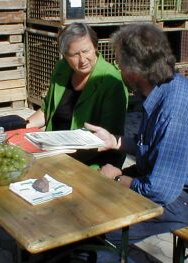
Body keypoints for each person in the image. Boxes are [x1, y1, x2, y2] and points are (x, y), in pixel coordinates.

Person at [85, 23, 188, 241]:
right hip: (159, 180)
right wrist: (114, 141)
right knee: (91, 188)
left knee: (103, 225)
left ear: (134, 70)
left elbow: (161, 191)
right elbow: (149, 145)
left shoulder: (174, 109)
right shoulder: (160, 89)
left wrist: (118, 179)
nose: (118, 68)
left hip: (184, 198)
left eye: (119, 62)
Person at [26, 22, 129, 168]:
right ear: (65, 56)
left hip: (91, 161)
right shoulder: (62, 69)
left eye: (86, 51)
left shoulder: (111, 82)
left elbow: (111, 138)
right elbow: (46, 110)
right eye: (74, 54)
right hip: (53, 152)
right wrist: (22, 127)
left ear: (95, 47)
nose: (82, 60)